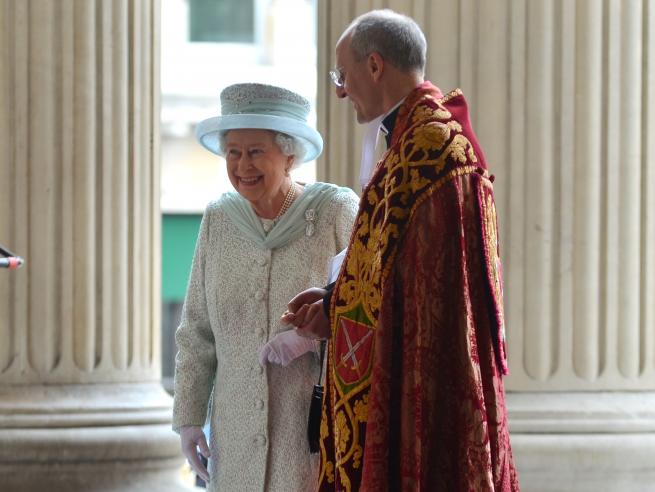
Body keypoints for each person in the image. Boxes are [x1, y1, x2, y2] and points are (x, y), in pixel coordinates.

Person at [281, 9, 520, 491]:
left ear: (375, 66)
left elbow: (431, 297)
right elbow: (391, 268)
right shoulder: (412, 140)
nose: (339, 90)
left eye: (342, 75)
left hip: (420, 384)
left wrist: (342, 311)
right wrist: (334, 301)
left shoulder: (433, 147)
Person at [172, 82, 360, 491]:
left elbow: (369, 312)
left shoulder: (335, 213)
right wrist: (188, 420)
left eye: (256, 151)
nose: (243, 166)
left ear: (289, 153)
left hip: (308, 436)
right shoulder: (219, 219)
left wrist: (313, 337)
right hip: (234, 437)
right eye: (233, 152)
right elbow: (197, 331)